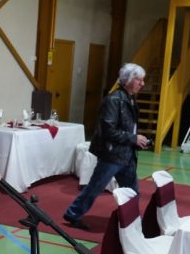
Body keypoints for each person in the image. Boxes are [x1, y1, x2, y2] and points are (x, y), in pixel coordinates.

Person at [62, 63, 150, 230]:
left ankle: (130, 219)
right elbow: (109, 130)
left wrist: (136, 140)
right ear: (128, 80)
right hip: (112, 154)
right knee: (96, 186)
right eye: (139, 80)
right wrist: (133, 138)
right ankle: (73, 214)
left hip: (126, 153)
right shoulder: (113, 100)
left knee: (132, 191)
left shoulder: (130, 99)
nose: (142, 84)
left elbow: (127, 127)